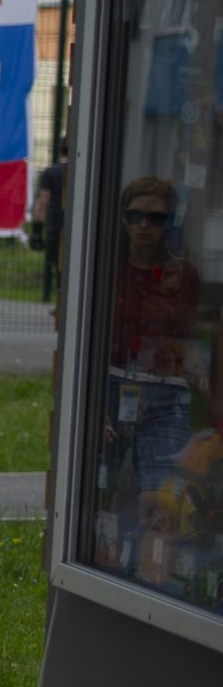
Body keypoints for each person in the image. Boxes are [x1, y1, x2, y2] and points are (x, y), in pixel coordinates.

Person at [104, 175, 204, 559]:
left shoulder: (183, 277)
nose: (145, 226)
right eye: (136, 216)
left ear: (169, 223)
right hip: (111, 388)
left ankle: (149, 573)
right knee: (101, 491)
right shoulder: (105, 270)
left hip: (165, 395)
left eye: (156, 218)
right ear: (124, 220)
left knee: (162, 500)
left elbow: (190, 336)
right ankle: (108, 561)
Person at [34, 139, 69, 290]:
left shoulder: (51, 172)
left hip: (55, 225)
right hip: (75, 227)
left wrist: (36, 231)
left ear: (60, 149)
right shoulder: (81, 172)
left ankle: (62, 305)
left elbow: (43, 201)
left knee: (59, 270)